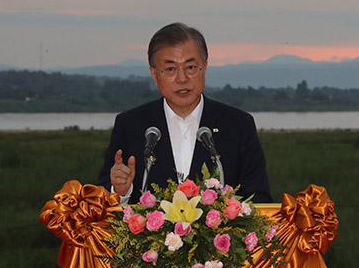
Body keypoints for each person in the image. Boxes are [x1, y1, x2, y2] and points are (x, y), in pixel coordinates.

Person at [97, 22, 272, 204]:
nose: (182, 79)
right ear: (155, 75)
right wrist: (121, 192)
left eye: (190, 67)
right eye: (171, 69)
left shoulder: (238, 125)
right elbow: (100, 203)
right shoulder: (130, 125)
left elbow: (259, 200)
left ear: (204, 68)